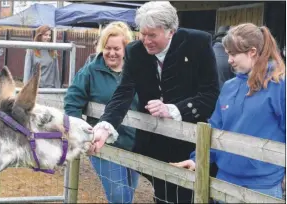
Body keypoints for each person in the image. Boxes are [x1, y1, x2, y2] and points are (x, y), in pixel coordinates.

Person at [89, 2, 219, 203]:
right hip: (153, 145)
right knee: (163, 196)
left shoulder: (197, 44)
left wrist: (174, 109)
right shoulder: (135, 51)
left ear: (170, 32)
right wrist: (105, 127)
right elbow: (123, 93)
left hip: (191, 146)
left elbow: (210, 94)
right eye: (143, 34)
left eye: (152, 35)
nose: (146, 41)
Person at [171, 23, 286, 200]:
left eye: (233, 54)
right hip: (224, 181)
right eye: (228, 54)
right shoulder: (229, 87)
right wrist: (197, 159)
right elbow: (215, 129)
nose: (229, 60)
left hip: (262, 186)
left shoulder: (279, 85)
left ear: (252, 52)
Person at [64, 21, 139, 203]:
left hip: (134, 144)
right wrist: (83, 132)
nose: (111, 53)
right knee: (119, 196)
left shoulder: (136, 70)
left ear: (125, 49)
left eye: (116, 48)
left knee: (128, 192)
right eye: (107, 48)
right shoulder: (91, 71)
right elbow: (72, 101)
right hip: (104, 144)